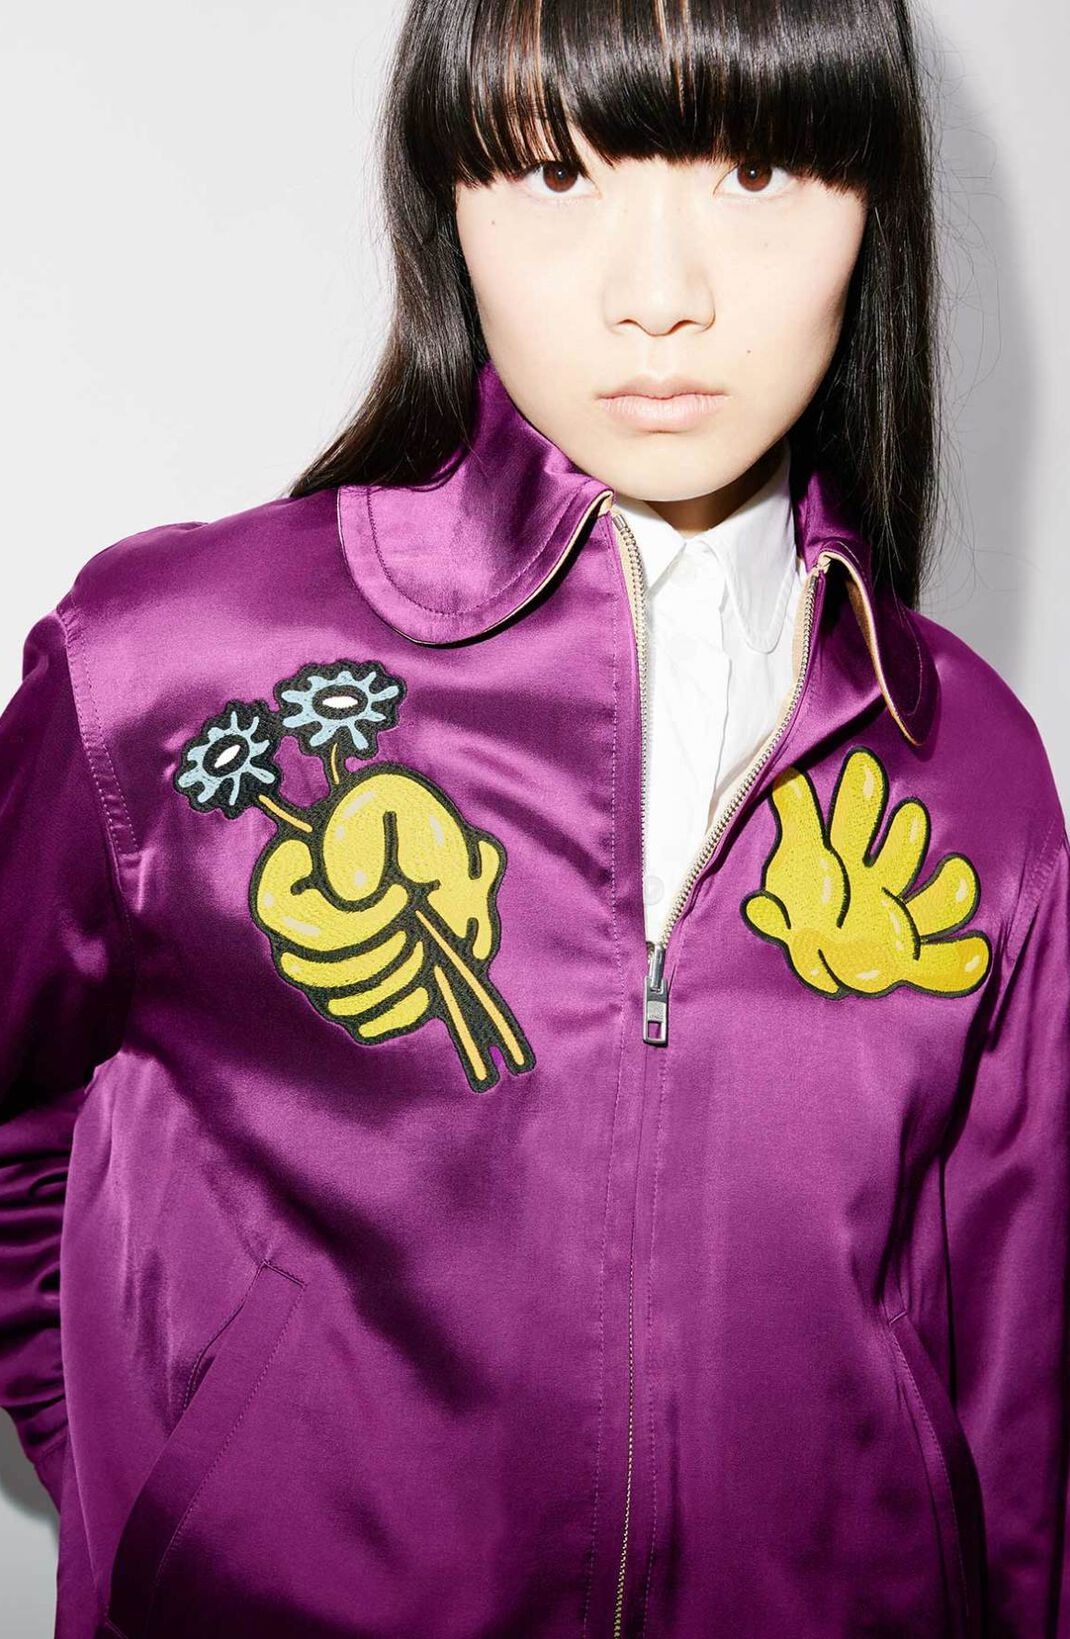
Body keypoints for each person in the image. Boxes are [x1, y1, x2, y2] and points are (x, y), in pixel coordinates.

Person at [1, 0, 1067, 1633]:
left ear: (871, 202)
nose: (661, 293)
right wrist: (153, 1484)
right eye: (559, 176)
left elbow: (1015, 1380)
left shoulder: (964, 762)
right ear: (451, 198)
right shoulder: (175, 671)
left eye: (758, 173)